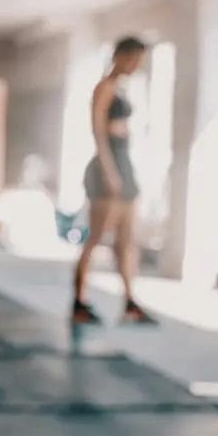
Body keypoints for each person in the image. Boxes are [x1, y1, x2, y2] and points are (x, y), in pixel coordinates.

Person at [72, 36, 157, 326]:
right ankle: (79, 301)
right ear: (120, 56)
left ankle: (130, 301)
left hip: (124, 162)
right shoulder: (104, 88)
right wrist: (109, 171)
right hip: (108, 165)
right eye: (133, 60)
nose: (135, 66)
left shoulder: (121, 89)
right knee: (96, 236)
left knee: (126, 239)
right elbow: (97, 130)